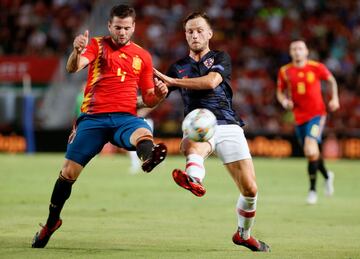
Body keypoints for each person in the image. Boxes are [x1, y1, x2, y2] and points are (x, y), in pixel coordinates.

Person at [32, 4, 168, 248]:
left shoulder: (143, 57)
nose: (122, 32)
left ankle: (148, 158)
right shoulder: (96, 45)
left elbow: (148, 99)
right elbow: (73, 68)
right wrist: (76, 51)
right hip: (93, 119)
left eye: (126, 28)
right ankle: (52, 222)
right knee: (68, 173)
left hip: (125, 117)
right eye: (117, 27)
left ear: (134, 27)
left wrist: (159, 95)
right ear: (109, 26)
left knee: (144, 132)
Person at [154, 12, 270, 252]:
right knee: (195, 139)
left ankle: (243, 234)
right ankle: (194, 178)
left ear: (209, 34)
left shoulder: (220, 57)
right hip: (199, 122)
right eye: (189, 31)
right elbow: (155, 99)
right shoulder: (177, 67)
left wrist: (173, 82)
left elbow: (210, 82)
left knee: (250, 190)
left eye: (199, 30)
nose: (194, 35)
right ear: (185, 35)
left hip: (228, 124)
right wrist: (140, 99)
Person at [276, 40, 340, 205]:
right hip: (299, 117)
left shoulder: (316, 67)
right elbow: (280, 92)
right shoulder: (285, 71)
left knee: (310, 148)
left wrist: (334, 98)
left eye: (300, 49)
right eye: (294, 49)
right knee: (312, 153)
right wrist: (284, 102)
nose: (297, 51)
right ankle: (327, 175)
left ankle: (312, 190)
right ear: (290, 53)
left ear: (306, 52)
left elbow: (331, 80)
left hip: (317, 115)